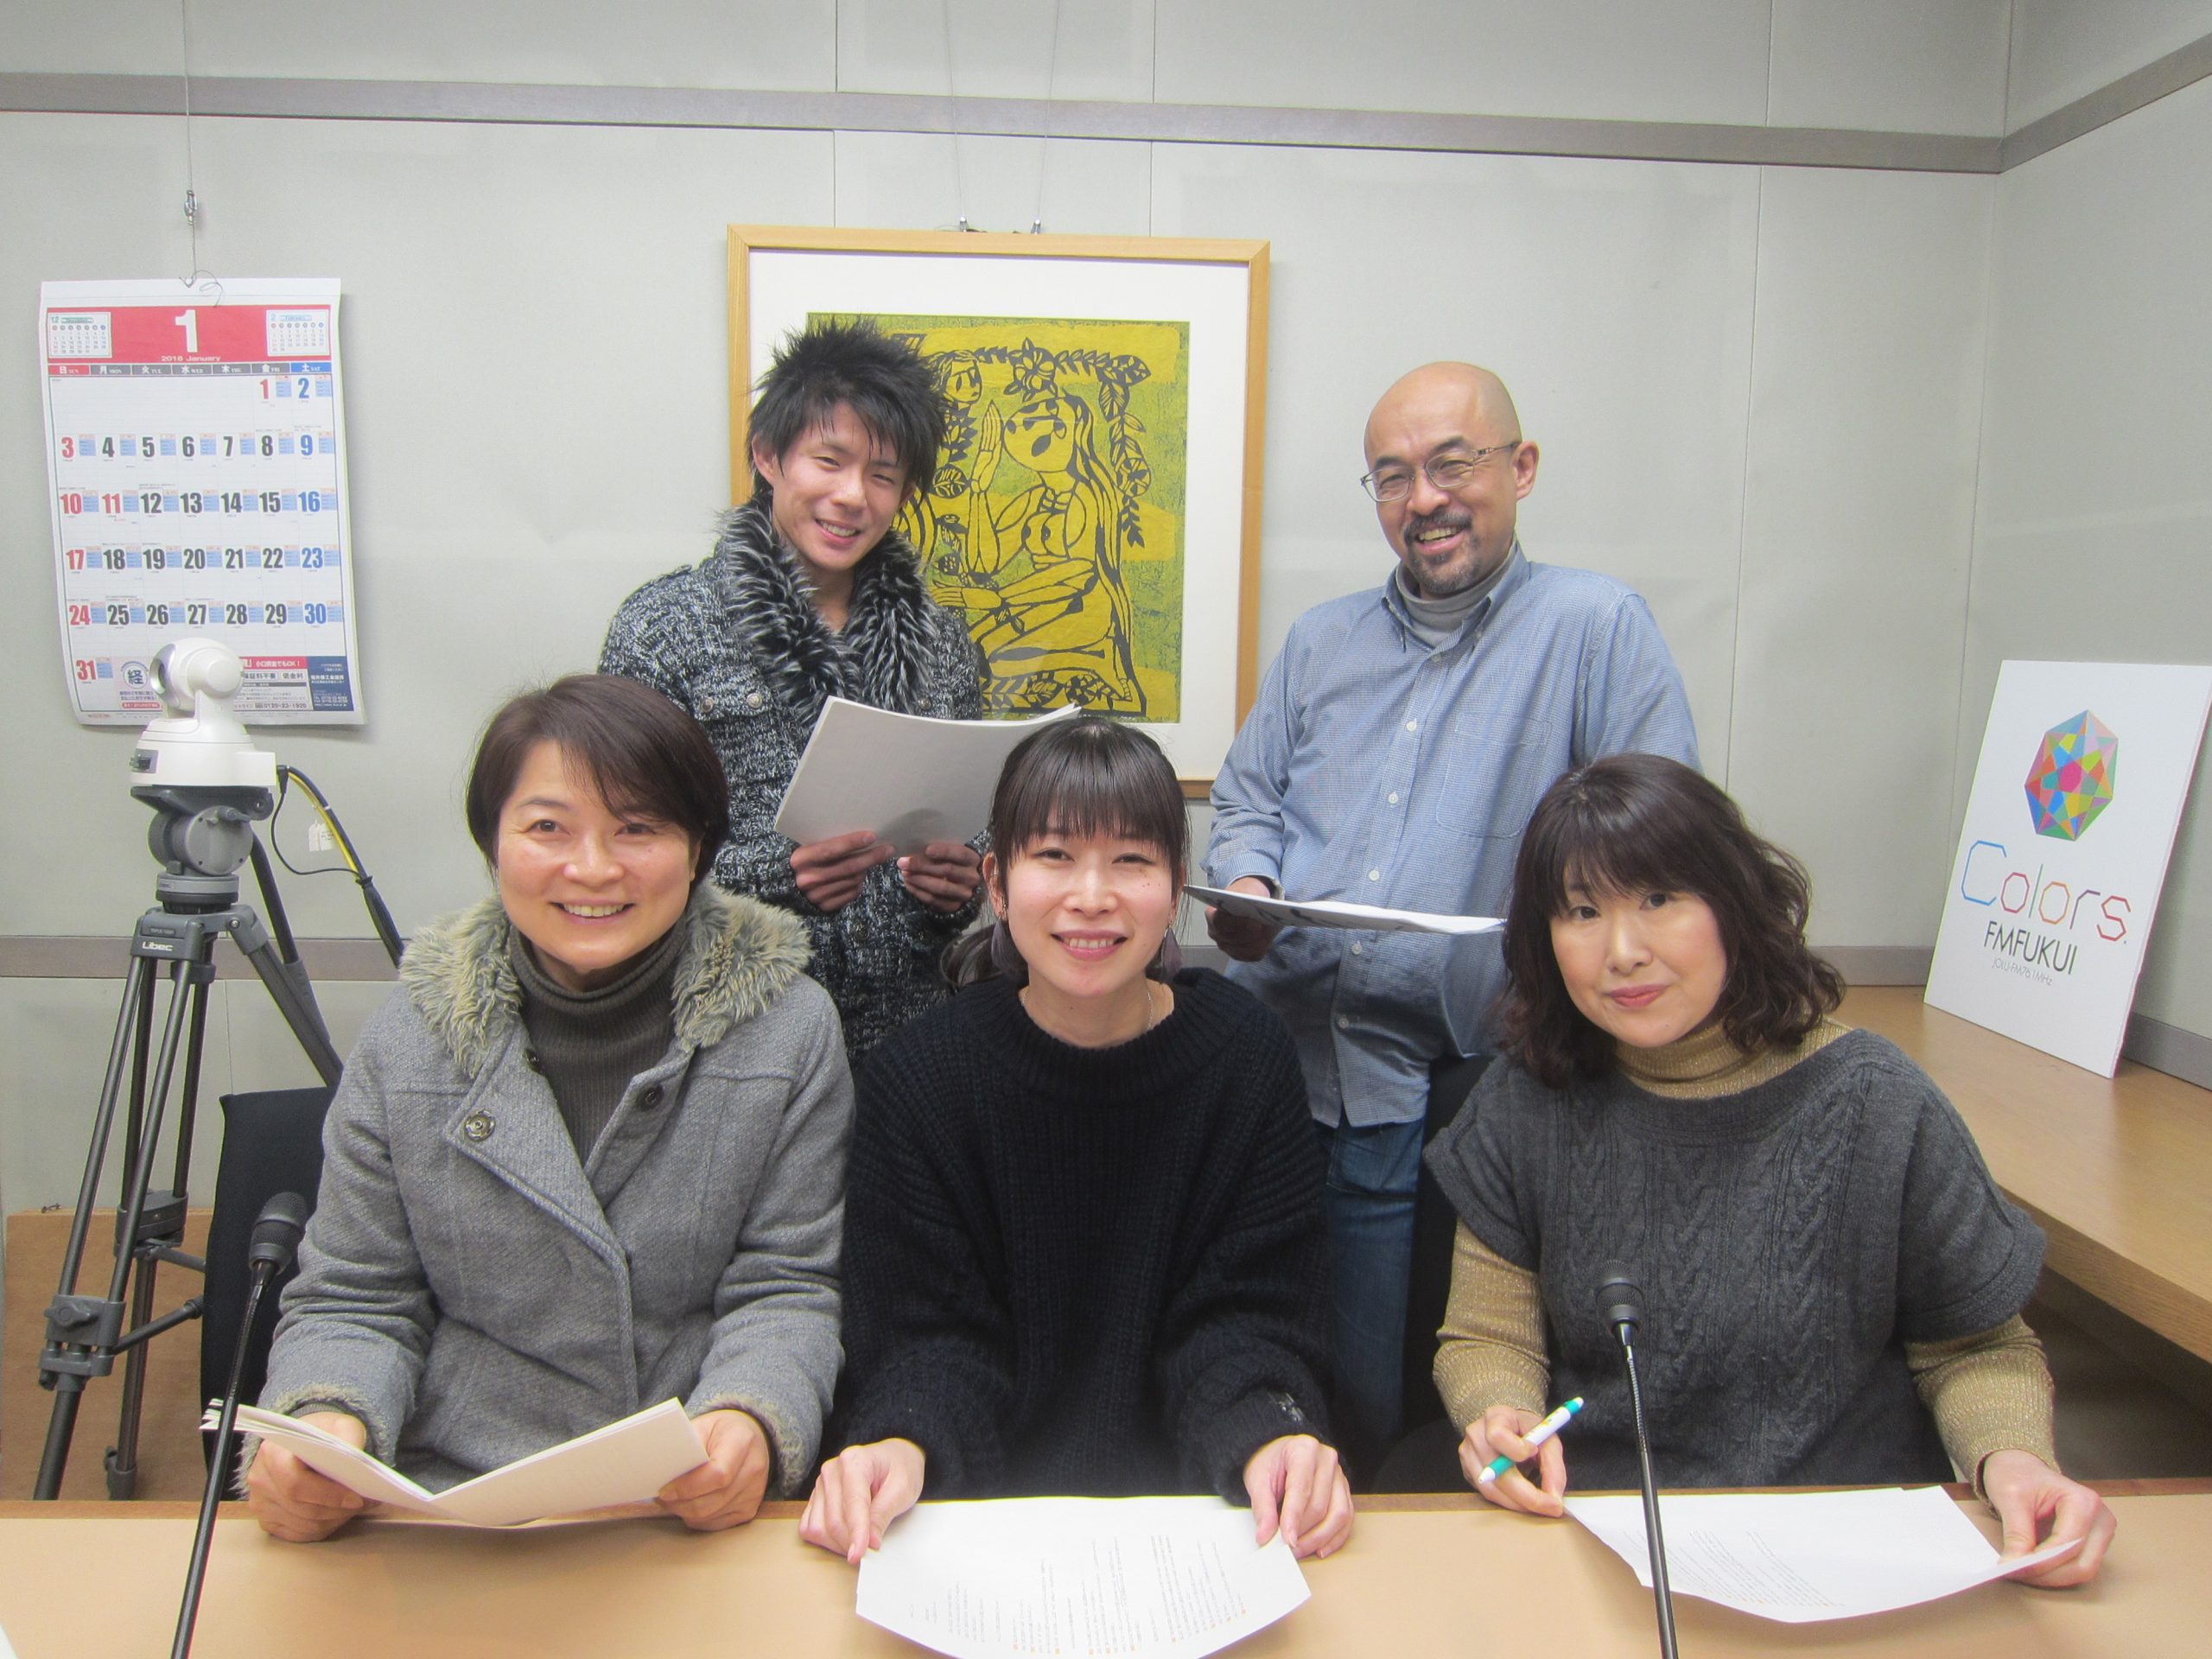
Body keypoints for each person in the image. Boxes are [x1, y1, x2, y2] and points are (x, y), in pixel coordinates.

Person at [1427, 753, 2115, 1587]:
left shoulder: (1876, 1100)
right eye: (1581, 911)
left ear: (1733, 901)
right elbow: (1488, 1335)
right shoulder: (1525, 1100)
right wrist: (1497, 1416)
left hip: (1843, 1545)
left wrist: (2014, 1459)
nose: (1623, 951)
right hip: (1603, 1538)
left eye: (1658, 899)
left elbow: (1978, 1347)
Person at [1205, 361, 1698, 1469]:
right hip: (1271, 1069)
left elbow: (1658, 842)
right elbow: (1247, 801)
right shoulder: (1319, 642)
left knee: (1385, 1405)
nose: (1422, 498)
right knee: (1250, 1359)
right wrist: (1250, 888)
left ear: (1521, 468)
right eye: (1391, 477)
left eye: (1450, 465)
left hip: (1452, 1089)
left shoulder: (1594, 628)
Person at [246, 675, 849, 1541]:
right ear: (492, 845)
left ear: (697, 850)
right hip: (453, 1495)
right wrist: (325, 1424)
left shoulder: (786, 1029)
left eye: (637, 828)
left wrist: (749, 1417)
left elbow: (785, 1286)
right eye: (547, 829)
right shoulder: (413, 1034)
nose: (593, 868)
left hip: (684, 1493)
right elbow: (355, 1298)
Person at [801, 717, 1351, 1562]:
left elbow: (1250, 1318)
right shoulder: (921, 1079)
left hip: (1196, 1528)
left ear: (1176, 886)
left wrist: (1271, 1432)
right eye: (1054, 856)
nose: (1091, 896)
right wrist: (902, 1440)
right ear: (996, 882)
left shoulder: (1245, 1059)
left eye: (1131, 860)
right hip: (975, 1537)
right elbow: (926, 1342)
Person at [601, 319, 986, 1064]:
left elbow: (971, 829)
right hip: (732, 1038)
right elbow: (621, 849)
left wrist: (958, 884)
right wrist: (777, 876)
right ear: (768, 456)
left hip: (911, 1038)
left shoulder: (942, 642)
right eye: (828, 461)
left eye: (883, 476)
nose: (853, 496)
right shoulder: (663, 626)